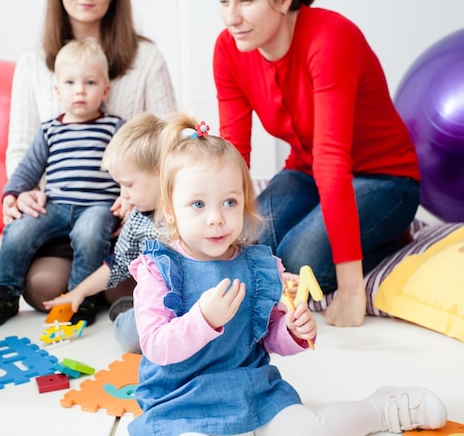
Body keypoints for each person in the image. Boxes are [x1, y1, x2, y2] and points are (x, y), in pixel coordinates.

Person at [127, 114, 446, 436]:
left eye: (229, 202)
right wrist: (203, 319)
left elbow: (269, 336)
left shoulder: (258, 267)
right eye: (197, 204)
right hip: (180, 401)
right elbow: (155, 346)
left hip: (248, 388)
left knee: (311, 429)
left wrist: (292, 331)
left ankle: (384, 409)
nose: (216, 218)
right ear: (169, 209)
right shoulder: (159, 269)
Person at [212, 0, 421, 327]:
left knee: (295, 258)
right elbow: (233, 153)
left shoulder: (330, 37)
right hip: (305, 174)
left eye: (246, 1)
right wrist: (213, 221)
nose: (232, 17)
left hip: (385, 179)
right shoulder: (228, 49)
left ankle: (387, 240)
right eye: (224, 1)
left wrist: (351, 289)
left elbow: (332, 159)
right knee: (247, 245)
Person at [4, 0, 177, 313]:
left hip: (129, 219)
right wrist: (21, 195)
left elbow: (170, 144)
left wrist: (135, 201)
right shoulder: (33, 62)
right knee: (41, 288)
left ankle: (99, 284)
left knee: (128, 291)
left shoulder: (146, 58)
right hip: (62, 214)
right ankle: (86, 286)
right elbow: (22, 148)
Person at [0, 38, 123, 329]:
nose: (79, 90)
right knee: (18, 230)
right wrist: (12, 194)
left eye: (90, 82)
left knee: (91, 232)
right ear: (57, 90)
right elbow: (28, 168)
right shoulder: (50, 130)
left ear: (105, 90)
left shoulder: (114, 126)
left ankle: (82, 297)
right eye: (70, 82)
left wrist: (129, 195)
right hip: (55, 205)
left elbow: (132, 165)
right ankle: (5, 292)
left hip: (97, 206)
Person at [43, 112, 165, 353]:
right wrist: (78, 292)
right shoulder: (137, 220)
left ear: (162, 172)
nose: (123, 194)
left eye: (129, 185)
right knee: (131, 336)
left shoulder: (191, 212)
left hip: (199, 301)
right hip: (161, 306)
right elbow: (117, 265)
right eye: (120, 185)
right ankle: (127, 312)